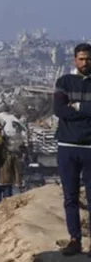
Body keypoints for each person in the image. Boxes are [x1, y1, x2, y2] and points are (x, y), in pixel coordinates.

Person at [54, 43, 91, 256]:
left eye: (88, 59)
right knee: (70, 196)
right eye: (81, 59)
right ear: (75, 60)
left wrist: (76, 106)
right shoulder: (64, 82)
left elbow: (68, 109)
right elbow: (59, 110)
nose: (85, 63)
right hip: (68, 146)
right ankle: (75, 239)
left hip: (89, 146)